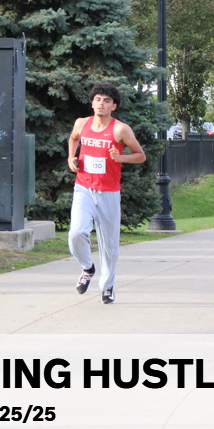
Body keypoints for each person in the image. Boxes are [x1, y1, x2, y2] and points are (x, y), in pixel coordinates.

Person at [67, 83, 146, 304]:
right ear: (92, 103)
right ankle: (87, 268)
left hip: (109, 192)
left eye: (107, 101)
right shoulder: (82, 123)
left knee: (109, 244)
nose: (101, 104)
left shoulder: (120, 129)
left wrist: (121, 158)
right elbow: (73, 138)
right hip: (83, 188)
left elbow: (140, 155)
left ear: (114, 106)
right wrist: (71, 157)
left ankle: (107, 286)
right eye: (98, 99)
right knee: (76, 233)